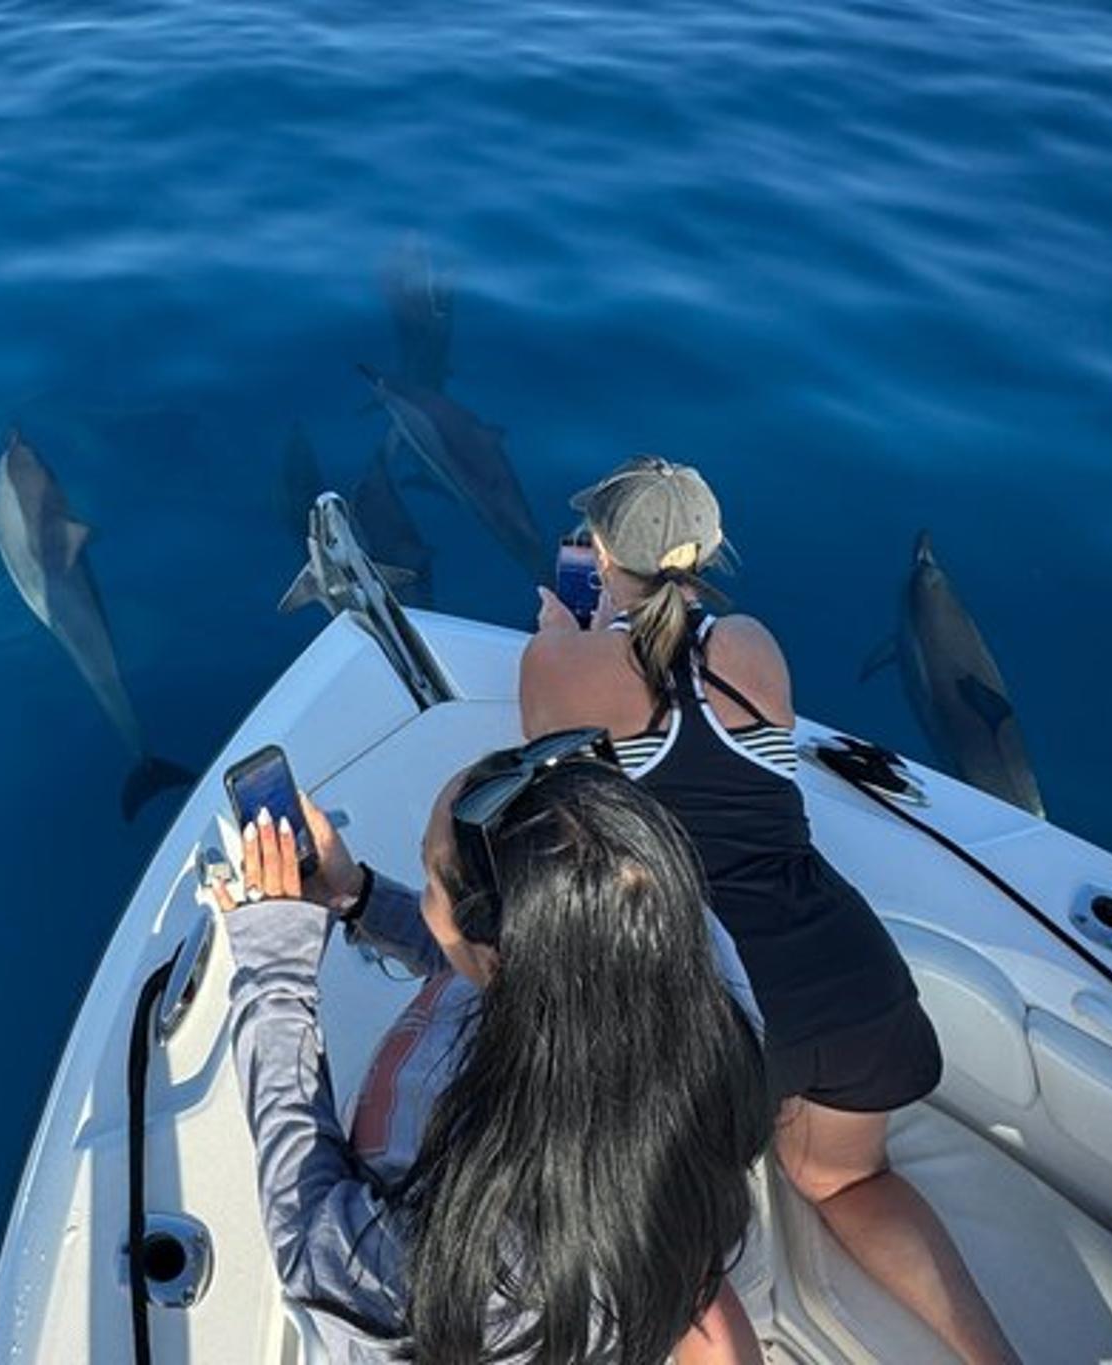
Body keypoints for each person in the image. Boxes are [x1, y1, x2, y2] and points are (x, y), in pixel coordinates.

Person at [522, 455, 1018, 1364]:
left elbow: (552, 811)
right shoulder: (751, 643)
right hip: (848, 974)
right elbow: (675, 680)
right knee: (848, 1179)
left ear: (596, 549)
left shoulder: (558, 661)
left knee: (665, 1260)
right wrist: (606, 633)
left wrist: (569, 637)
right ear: (707, 553)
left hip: (718, 1005)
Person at [208, 735, 772, 1365]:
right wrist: (357, 894)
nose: (423, 890)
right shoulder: (681, 944)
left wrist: (274, 967)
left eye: (428, 879)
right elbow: (495, 968)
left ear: (498, 954)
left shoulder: (488, 1262)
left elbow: (310, 1238)